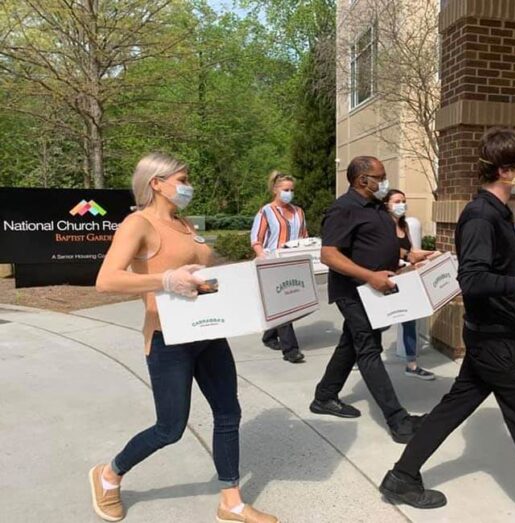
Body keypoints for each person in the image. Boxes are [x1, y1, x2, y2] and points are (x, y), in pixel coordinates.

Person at [379, 129, 515, 523]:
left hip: (491, 335)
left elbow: (501, 267)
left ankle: (401, 477)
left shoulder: (497, 212)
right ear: (505, 170)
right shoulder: (481, 216)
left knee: (455, 406)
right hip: (496, 340)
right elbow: (474, 280)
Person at [91, 153, 277, 523]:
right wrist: (164, 280)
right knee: (170, 428)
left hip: (208, 332)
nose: (189, 186)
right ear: (156, 183)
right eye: (183, 179)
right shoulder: (138, 223)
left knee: (228, 413)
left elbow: (205, 272)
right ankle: (109, 474)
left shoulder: (184, 223)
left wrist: (249, 271)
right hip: (168, 339)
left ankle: (231, 502)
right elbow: (106, 280)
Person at [310, 156, 424, 444]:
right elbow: (329, 254)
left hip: (375, 291)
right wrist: (369, 276)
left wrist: (409, 258)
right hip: (354, 292)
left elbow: (375, 244)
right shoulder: (344, 208)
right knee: (369, 348)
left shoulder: (376, 207)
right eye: (380, 177)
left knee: (351, 342)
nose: (385, 181)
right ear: (363, 180)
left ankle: (324, 396)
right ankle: (398, 420)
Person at [251, 170, 309, 364]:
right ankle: (290, 350)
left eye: (292, 190)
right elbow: (256, 239)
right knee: (284, 304)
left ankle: (269, 335)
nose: (289, 193)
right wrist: (262, 257)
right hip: (272, 263)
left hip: (293, 262)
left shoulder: (298, 212)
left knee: (287, 302)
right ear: (275, 189)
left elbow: (304, 236)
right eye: (285, 189)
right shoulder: (266, 212)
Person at [382, 189, 436, 381]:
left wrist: (431, 254)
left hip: (404, 278)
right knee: (381, 322)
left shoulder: (404, 225)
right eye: (397, 201)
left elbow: (413, 251)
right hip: (386, 279)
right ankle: (358, 352)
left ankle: (412, 364)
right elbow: (387, 249)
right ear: (386, 204)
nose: (401, 205)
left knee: (409, 320)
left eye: (403, 201)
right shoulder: (382, 225)